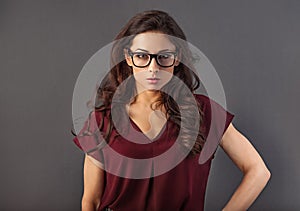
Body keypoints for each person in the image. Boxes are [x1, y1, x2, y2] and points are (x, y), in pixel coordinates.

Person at [73, 10, 271, 211]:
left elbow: (259, 171)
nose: (153, 68)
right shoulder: (103, 120)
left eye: (163, 57)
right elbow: (92, 201)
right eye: (142, 56)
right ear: (128, 58)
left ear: (176, 59)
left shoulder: (204, 112)